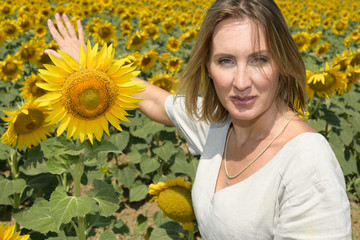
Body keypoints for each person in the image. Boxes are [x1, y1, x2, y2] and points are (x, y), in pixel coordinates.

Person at [46, 0, 351, 238]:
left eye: (259, 59)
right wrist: (89, 69)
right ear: (207, 67)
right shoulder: (218, 126)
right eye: (226, 61)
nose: (241, 81)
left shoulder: (308, 162)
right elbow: (154, 100)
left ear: (282, 63)